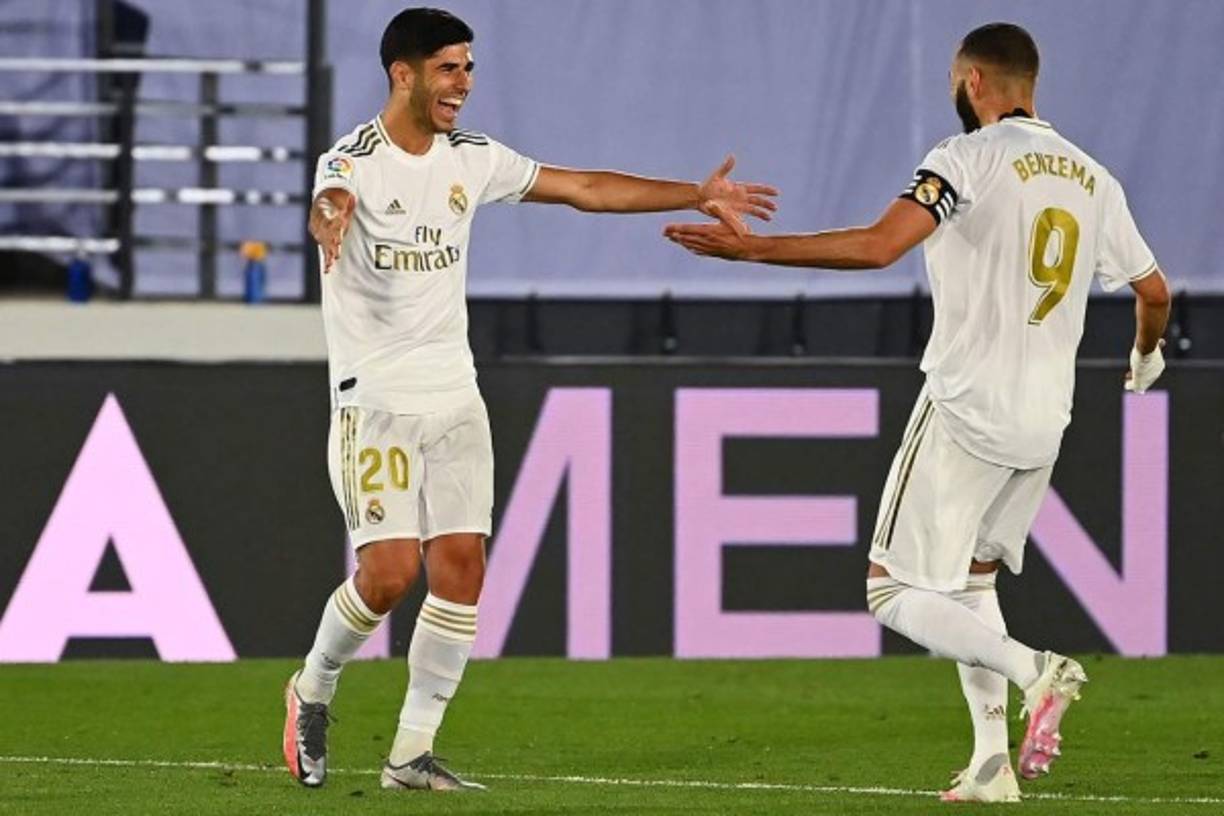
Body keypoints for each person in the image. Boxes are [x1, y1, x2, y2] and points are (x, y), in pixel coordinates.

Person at [665, 22, 1169, 804]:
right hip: (1045, 418)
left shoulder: (962, 159)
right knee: (972, 583)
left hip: (968, 403)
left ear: (971, 81)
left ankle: (1036, 671)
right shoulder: (1095, 179)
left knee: (889, 590)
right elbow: (1153, 292)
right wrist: (1145, 356)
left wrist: (756, 252)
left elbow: (877, 247)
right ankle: (992, 765)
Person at [283, 6, 778, 793]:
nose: (464, 84)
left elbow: (583, 187)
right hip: (375, 400)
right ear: (402, 74)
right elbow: (330, 201)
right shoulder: (354, 158)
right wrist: (327, 220)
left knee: (460, 568)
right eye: (449, 68)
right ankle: (313, 684)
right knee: (386, 577)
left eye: (469, 68)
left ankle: (411, 754)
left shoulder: (471, 160)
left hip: (455, 397)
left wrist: (693, 191)